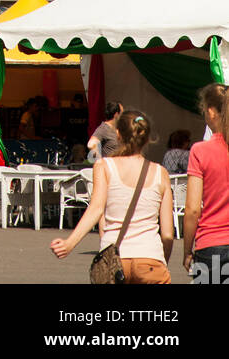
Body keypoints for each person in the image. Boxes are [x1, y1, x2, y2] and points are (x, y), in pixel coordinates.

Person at [51, 110, 173, 284]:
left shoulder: (104, 166)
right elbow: (168, 233)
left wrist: (70, 243)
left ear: (117, 134)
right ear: (147, 138)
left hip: (114, 258)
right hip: (150, 258)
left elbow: (96, 209)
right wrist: (161, 260)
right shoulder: (161, 173)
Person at [183, 83, 229, 284]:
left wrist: (186, 250)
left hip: (212, 246)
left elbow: (193, 209)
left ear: (211, 112)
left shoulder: (200, 151)